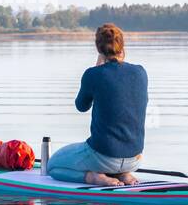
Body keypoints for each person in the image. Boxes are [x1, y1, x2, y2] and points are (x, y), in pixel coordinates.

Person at [46, 24, 148, 187]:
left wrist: (96, 68)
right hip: (135, 158)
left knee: (52, 166)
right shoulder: (141, 72)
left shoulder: (93, 74)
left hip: (103, 157)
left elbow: (81, 106)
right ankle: (124, 174)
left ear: (98, 48)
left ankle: (93, 178)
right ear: (122, 46)